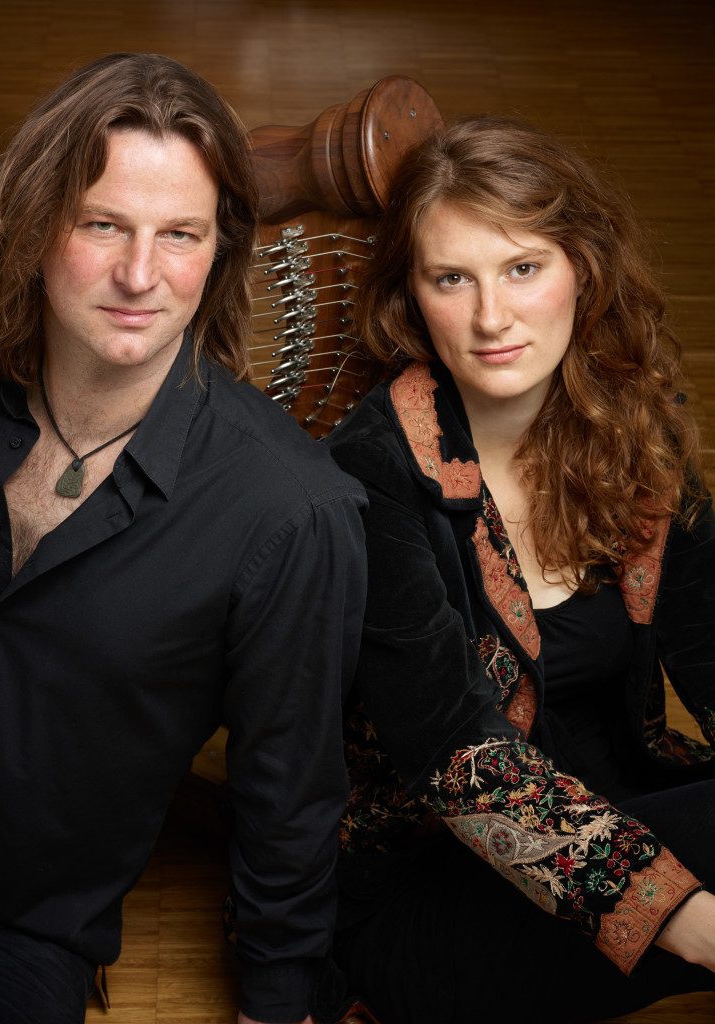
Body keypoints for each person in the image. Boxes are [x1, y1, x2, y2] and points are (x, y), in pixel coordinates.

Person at [0, 53, 369, 1024]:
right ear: (33, 226)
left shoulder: (291, 512)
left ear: (218, 252)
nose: (139, 275)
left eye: (179, 234)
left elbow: (287, 790)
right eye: (102, 224)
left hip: (9, 928)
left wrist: (277, 1000)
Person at [325, 115, 715, 1024]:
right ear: (411, 296)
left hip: (615, 803)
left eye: (522, 268)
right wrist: (692, 921)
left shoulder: (634, 422)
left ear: (583, 267)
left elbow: (709, 636)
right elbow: (457, 756)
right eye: (451, 278)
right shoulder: (371, 472)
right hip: (432, 882)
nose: (491, 318)